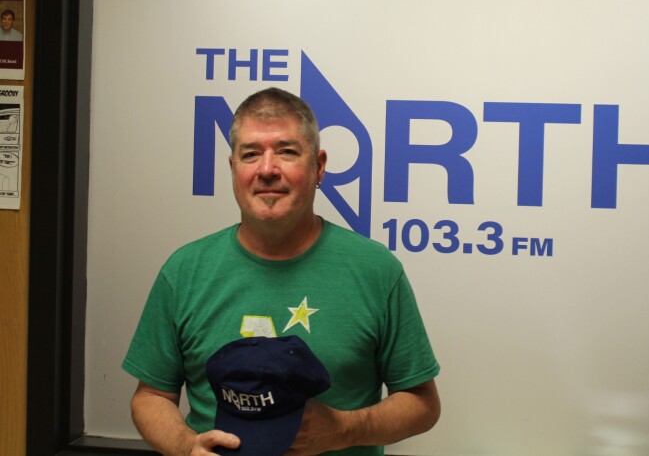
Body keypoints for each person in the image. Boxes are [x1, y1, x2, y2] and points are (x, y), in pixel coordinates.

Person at [123, 87, 441, 456]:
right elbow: (150, 396)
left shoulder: (375, 270)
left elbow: (422, 403)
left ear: (319, 165)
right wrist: (184, 446)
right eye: (251, 154)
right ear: (233, 168)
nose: (268, 169)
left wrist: (343, 430)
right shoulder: (184, 271)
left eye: (287, 152)